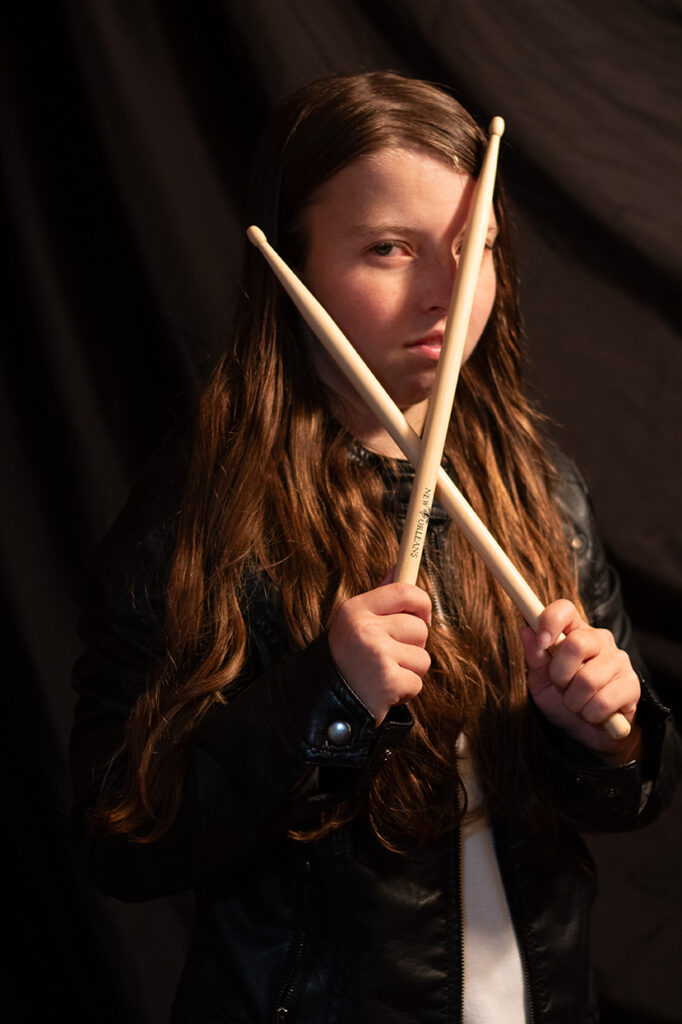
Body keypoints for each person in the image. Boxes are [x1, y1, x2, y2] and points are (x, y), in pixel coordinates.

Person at [69, 71, 679, 1023]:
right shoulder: (203, 507)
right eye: (389, 249)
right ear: (294, 265)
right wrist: (325, 699)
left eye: (472, 247)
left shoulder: (540, 481)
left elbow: (632, 793)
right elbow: (121, 838)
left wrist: (608, 730)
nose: (446, 292)